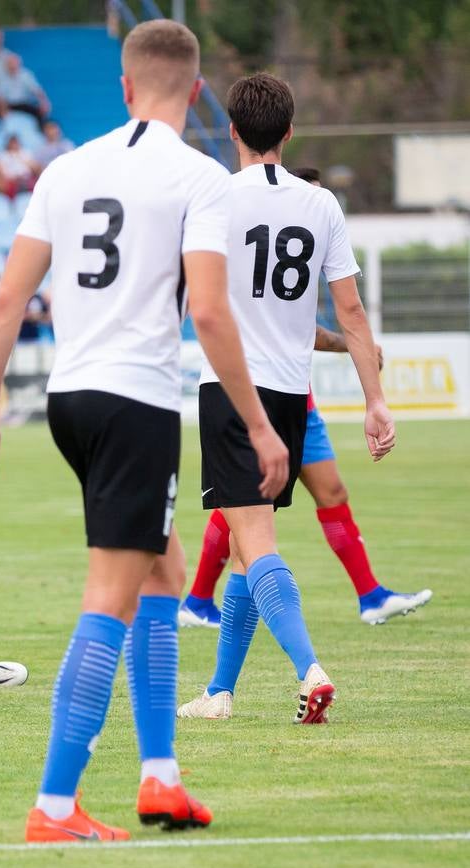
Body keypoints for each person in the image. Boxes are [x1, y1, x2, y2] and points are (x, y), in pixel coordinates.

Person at [0, 20, 289, 841]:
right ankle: (55, 806)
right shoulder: (201, 178)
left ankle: (160, 779)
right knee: (110, 594)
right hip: (134, 402)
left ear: (125, 88)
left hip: (70, 398)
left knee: (163, 574)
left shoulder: (66, 169)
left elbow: (5, 302)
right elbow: (207, 310)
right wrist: (257, 425)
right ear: (198, 91)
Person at [176, 74, 394, 725]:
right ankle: (219, 692)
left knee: (255, 543)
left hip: (231, 390)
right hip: (291, 397)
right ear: (289, 132)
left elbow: (190, 297)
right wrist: (374, 401)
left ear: (233, 132)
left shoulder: (212, 196)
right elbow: (350, 310)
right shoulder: (320, 204)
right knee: (247, 546)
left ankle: (310, 670)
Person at [179, 167, 430, 631]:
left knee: (320, 494)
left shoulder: (301, 235)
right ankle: (203, 605)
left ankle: (369, 594)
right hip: (266, 394)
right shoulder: (272, 224)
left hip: (299, 400)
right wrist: (354, 348)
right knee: (248, 514)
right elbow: (314, 328)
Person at [0, 52, 50, 126]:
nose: (13, 66)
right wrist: (3, 112)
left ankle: (40, 132)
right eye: (10, 63)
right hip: (8, 105)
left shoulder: (26, 75)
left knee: (40, 115)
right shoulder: (0, 77)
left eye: (15, 63)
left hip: (23, 104)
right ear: (6, 64)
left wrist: (44, 102)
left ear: (19, 64)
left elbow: (37, 90)